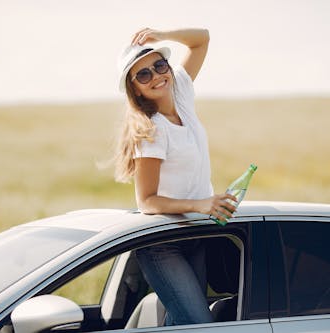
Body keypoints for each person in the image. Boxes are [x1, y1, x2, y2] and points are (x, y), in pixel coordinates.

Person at [114, 27, 237, 326]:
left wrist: (160, 35)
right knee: (197, 323)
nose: (156, 76)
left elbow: (202, 38)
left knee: (182, 322)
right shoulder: (151, 130)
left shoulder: (180, 93)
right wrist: (201, 204)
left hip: (192, 233)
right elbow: (147, 201)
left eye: (159, 65)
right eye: (143, 75)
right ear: (136, 89)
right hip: (163, 245)